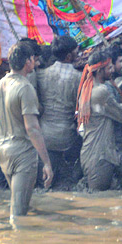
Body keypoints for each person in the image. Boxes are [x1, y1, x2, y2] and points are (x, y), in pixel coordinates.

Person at [0, 41, 53, 217]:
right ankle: (14, 243)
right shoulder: (25, 88)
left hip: (2, 151)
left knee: (19, 204)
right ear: (28, 62)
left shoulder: (0, 85)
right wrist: (46, 162)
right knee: (18, 213)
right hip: (22, 152)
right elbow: (32, 128)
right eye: (33, 59)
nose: (35, 62)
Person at [76, 48, 122, 192]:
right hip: (98, 155)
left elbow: (114, 109)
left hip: (109, 151)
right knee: (97, 198)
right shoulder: (101, 91)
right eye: (109, 67)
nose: (112, 69)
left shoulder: (89, 88)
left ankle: (114, 186)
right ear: (100, 71)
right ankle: (112, 187)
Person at [34, 35, 82, 180]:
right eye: (76, 52)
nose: (79, 54)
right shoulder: (78, 77)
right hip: (67, 137)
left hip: (43, 135)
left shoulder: (41, 74)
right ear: (69, 56)